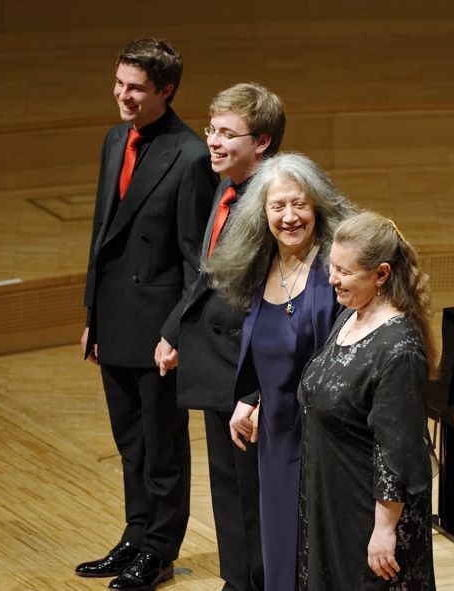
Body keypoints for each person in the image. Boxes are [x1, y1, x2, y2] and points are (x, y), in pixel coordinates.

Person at [76, 38, 218, 591]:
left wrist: (176, 330)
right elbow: (99, 237)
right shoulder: (115, 139)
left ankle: (158, 550)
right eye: (119, 83)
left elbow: (196, 259)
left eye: (136, 88)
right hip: (114, 319)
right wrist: (92, 313)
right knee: (130, 441)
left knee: (162, 449)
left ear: (166, 90)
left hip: (158, 327)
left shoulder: (188, 156)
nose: (123, 95)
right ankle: (135, 535)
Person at [155, 82, 286, 591]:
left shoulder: (277, 205)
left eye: (228, 134)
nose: (212, 141)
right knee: (228, 491)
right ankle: (237, 581)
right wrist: (173, 332)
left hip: (251, 374)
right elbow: (207, 274)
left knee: (255, 494)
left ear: (263, 142)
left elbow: (280, 305)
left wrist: (255, 393)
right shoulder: (225, 188)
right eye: (212, 129)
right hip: (217, 363)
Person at [206, 152, 355, 591]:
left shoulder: (334, 273)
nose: (290, 217)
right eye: (278, 206)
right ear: (262, 213)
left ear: (318, 207)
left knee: (321, 560)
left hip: (327, 444)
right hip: (276, 439)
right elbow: (264, 349)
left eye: (300, 204)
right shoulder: (259, 265)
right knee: (279, 559)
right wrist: (250, 398)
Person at [297, 211, 439, 591]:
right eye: (332, 267)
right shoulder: (349, 317)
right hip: (332, 501)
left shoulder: (400, 349)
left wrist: (384, 530)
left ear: (381, 274)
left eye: (345, 272)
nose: (332, 280)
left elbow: (398, 450)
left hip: (367, 515)